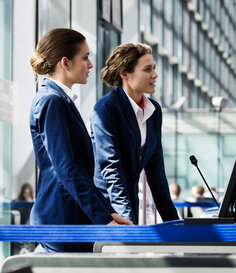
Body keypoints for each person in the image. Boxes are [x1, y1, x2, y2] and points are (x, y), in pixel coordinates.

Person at [29, 28, 131, 252]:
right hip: (62, 220)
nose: (91, 65)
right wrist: (103, 219)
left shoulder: (59, 100)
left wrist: (108, 212)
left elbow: (80, 172)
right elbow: (67, 169)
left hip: (71, 217)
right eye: (85, 57)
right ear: (65, 63)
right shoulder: (52, 101)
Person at [91, 43, 179, 224]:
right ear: (125, 74)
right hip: (105, 206)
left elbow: (156, 171)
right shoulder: (106, 108)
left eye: (154, 68)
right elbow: (111, 168)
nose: (155, 75)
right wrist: (127, 222)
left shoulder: (154, 110)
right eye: (147, 69)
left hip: (128, 201)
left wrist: (174, 223)